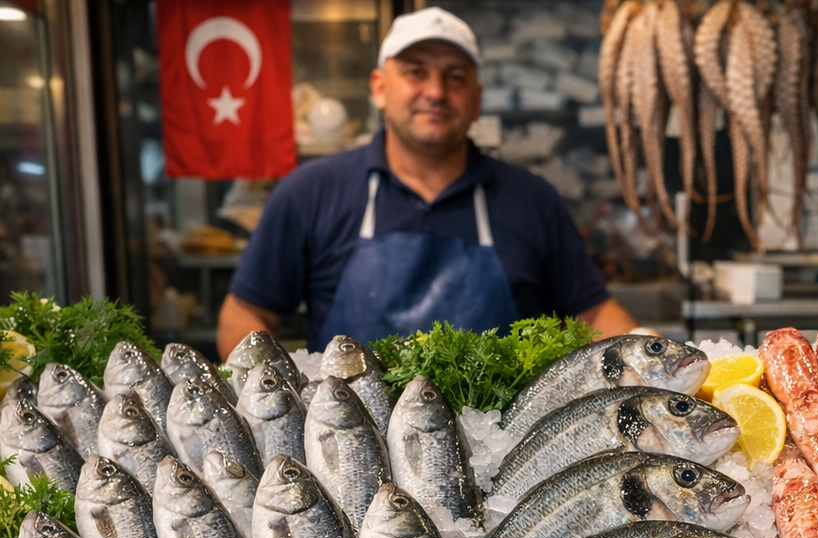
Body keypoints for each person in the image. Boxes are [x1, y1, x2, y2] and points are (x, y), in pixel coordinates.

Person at [217, 7, 637, 356]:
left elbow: (595, 316)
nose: (435, 91)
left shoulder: (532, 199)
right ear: (380, 88)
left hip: (504, 449)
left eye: (455, 77)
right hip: (348, 449)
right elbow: (244, 317)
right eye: (416, 72)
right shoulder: (309, 193)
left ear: (477, 99)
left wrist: (651, 357)